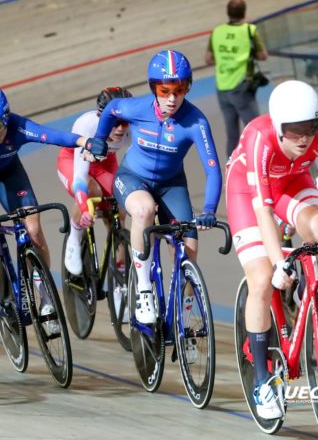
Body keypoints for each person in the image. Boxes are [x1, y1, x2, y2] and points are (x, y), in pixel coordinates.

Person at [0, 83, 107, 318]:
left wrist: (85, 142)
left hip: (7, 170)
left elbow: (51, 135)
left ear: (7, 116)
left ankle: (45, 292)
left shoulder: (17, 126)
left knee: (33, 231)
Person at [94, 50, 222, 325]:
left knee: (189, 251)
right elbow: (112, 108)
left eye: (179, 90)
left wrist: (209, 209)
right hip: (132, 177)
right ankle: (143, 289)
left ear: (187, 87)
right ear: (154, 88)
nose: (172, 98)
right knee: (143, 210)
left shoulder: (196, 122)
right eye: (165, 91)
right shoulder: (137, 108)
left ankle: (183, 323)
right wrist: (99, 139)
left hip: (171, 185)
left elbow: (212, 169)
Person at [225, 80, 318, 420]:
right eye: (294, 130)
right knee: (263, 278)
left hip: (293, 183)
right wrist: (279, 262)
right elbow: (263, 211)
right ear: (278, 126)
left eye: (311, 127)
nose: (304, 138)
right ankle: (262, 382)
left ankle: (309, 288)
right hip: (247, 193)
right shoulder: (259, 138)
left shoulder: (313, 136)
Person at [58, 86, 132, 276]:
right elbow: (80, 178)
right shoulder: (87, 126)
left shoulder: (133, 127)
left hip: (105, 162)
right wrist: (84, 208)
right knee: (92, 191)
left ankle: (121, 272)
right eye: (115, 122)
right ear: (102, 117)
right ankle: (74, 239)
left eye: (125, 122)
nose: (120, 129)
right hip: (73, 161)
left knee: (118, 208)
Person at [205, 0, 268, 161]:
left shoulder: (217, 31)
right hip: (241, 88)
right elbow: (263, 55)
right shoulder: (249, 30)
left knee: (232, 133)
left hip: (222, 87)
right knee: (255, 129)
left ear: (228, 13)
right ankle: (259, 162)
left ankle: (231, 166)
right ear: (244, 12)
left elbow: (209, 59)